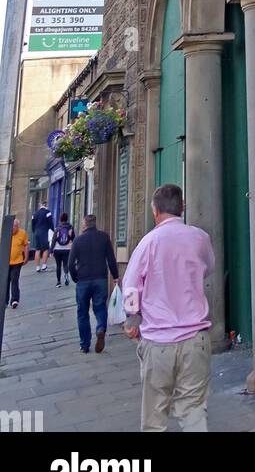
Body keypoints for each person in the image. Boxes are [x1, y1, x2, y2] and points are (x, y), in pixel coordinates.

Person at [123, 184, 215, 433]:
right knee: (194, 410)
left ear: (155, 211)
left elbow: (130, 288)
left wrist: (132, 319)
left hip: (158, 341)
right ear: (181, 207)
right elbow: (208, 267)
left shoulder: (147, 243)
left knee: (154, 417)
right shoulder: (199, 237)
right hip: (195, 340)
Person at [68, 213, 119, 354]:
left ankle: (84, 345)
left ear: (84, 225)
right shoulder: (103, 237)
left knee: (82, 312)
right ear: (95, 224)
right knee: (100, 307)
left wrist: (75, 278)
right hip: (100, 279)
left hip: (83, 280)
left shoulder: (78, 240)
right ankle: (101, 328)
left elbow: (70, 263)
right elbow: (111, 258)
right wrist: (115, 276)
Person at [5, 217, 29, 308]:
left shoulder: (22, 233)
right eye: (12, 226)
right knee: (6, 281)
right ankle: (5, 300)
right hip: (6, 262)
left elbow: (26, 245)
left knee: (14, 279)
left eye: (15, 226)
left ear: (18, 226)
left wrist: (26, 257)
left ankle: (14, 300)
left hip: (17, 261)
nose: (13, 228)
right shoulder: (5, 233)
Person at [50, 212, 75, 287]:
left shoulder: (57, 228)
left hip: (57, 249)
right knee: (65, 264)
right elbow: (74, 238)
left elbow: (54, 239)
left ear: (60, 220)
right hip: (67, 249)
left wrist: (51, 250)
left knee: (58, 265)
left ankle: (58, 282)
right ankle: (66, 275)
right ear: (67, 219)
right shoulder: (70, 228)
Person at [31, 200, 53, 271]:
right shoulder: (48, 212)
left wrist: (34, 231)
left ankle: (37, 267)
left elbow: (32, 224)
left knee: (37, 249)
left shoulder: (35, 214)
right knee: (46, 249)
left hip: (37, 232)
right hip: (44, 232)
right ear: (45, 204)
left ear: (40, 205)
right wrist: (52, 230)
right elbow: (50, 223)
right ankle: (44, 265)